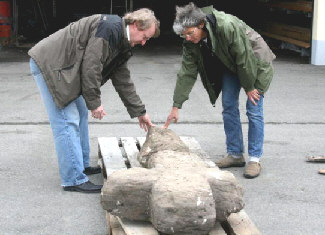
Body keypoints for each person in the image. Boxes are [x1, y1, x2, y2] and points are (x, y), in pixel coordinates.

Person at [29, 9, 160, 193]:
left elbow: (123, 81)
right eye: (145, 37)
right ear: (136, 25)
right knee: (67, 121)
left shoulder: (121, 42)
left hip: (67, 68)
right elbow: (91, 66)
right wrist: (95, 102)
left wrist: (140, 112)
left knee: (80, 114)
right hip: (51, 65)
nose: (144, 43)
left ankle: (80, 165)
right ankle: (73, 178)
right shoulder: (109, 29)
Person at [163, 2, 275, 179]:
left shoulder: (226, 25)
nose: (188, 38)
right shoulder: (191, 40)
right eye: (184, 35)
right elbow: (186, 72)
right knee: (229, 105)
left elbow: (244, 58)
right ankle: (236, 154)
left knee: (253, 110)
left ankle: (254, 159)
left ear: (201, 24)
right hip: (232, 63)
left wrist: (250, 87)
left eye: (190, 33)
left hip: (255, 61)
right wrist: (176, 105)